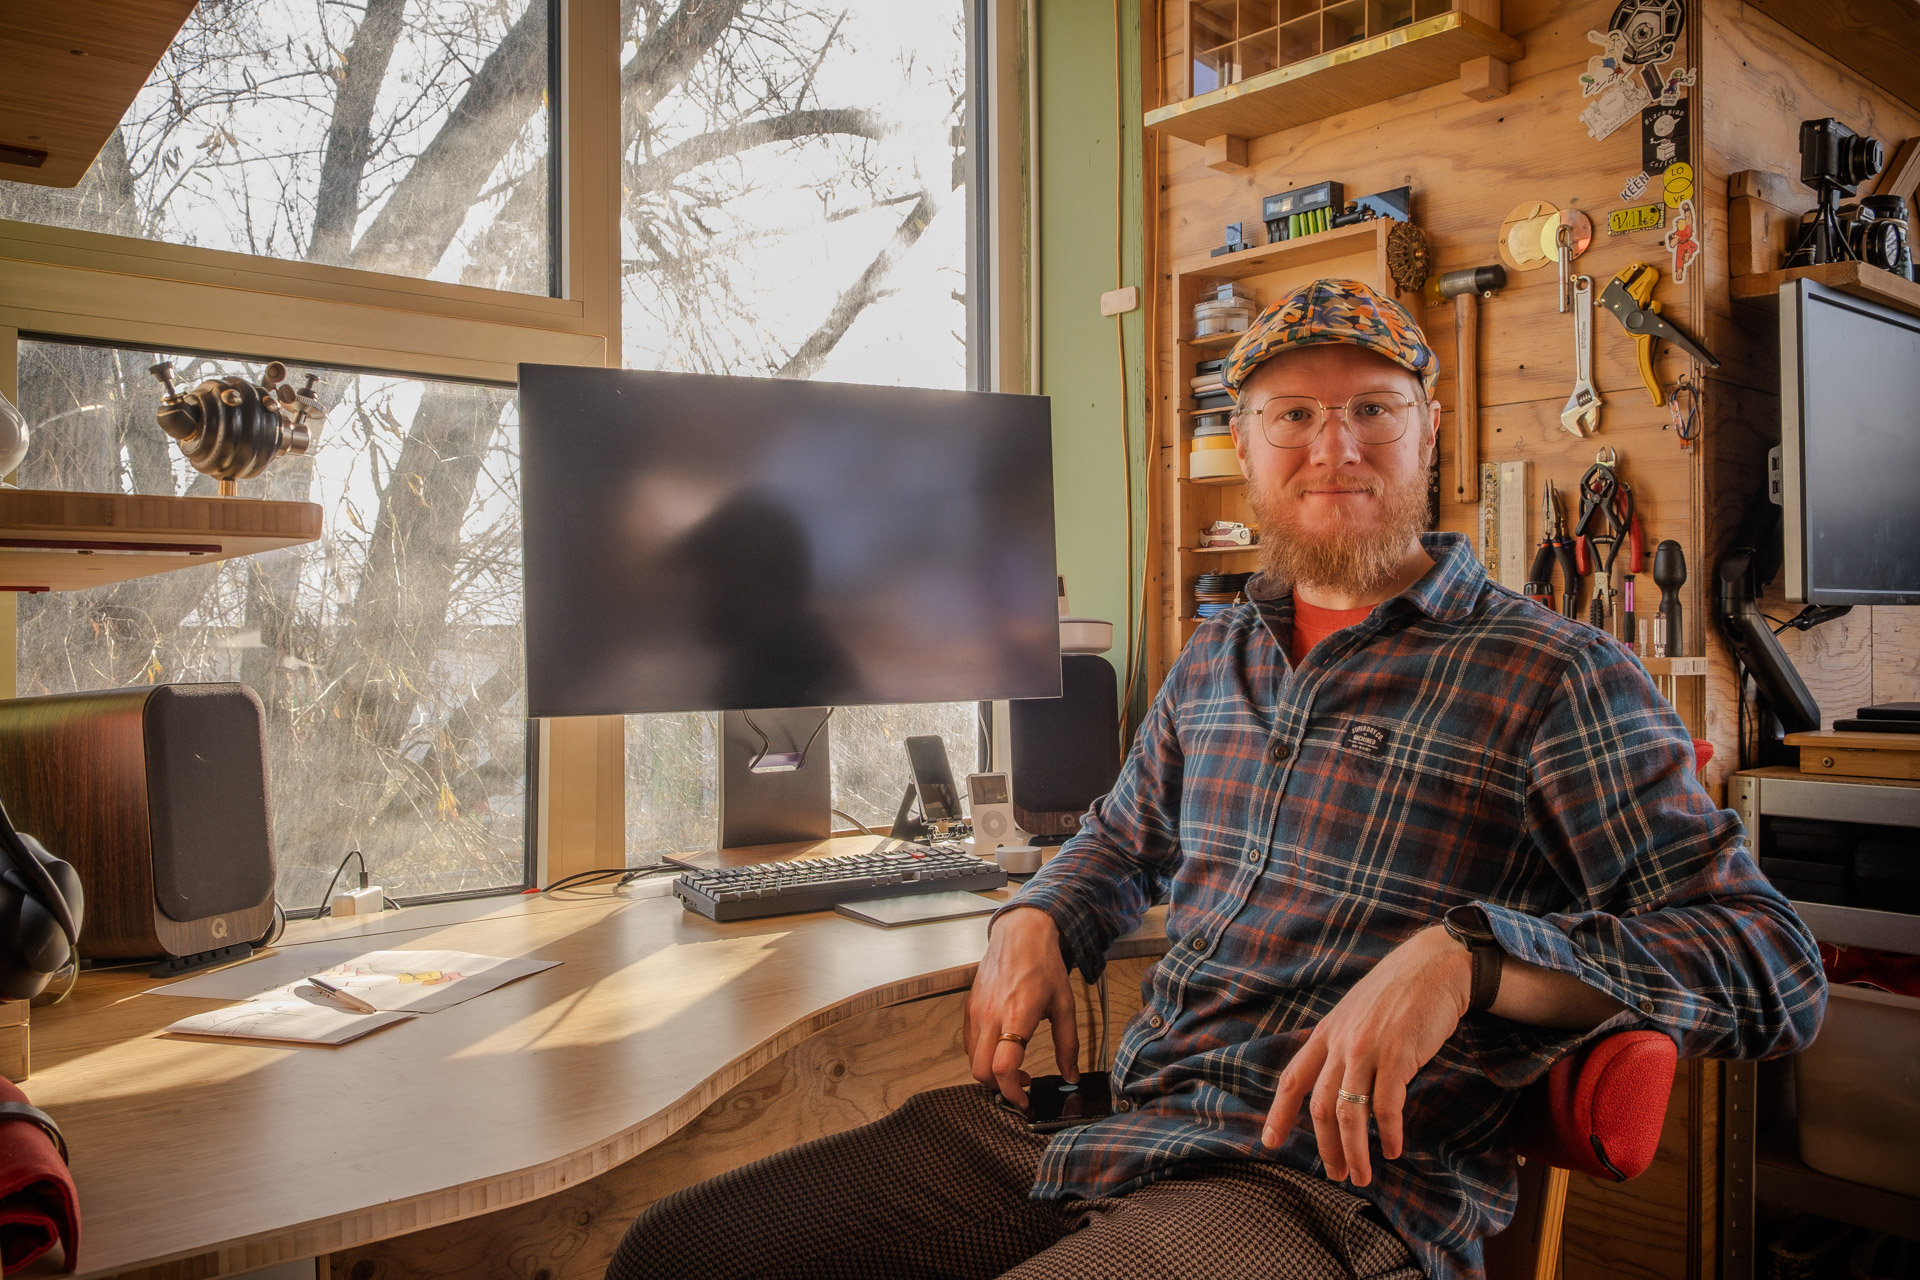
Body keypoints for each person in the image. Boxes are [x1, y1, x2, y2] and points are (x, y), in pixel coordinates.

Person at [606, 279, 1825, 1280]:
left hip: (1324, 1188)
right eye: (1291, 415)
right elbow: (1118, 836)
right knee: (681, 1251)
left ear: (1430, 430)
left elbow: (1772, 963)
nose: (1333, 446)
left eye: (1373, 410)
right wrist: (1036, 913)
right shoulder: (1220, 655)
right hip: (1113, 1127)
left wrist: (1475, 958)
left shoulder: (1550, 674)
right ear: (1242, 447)